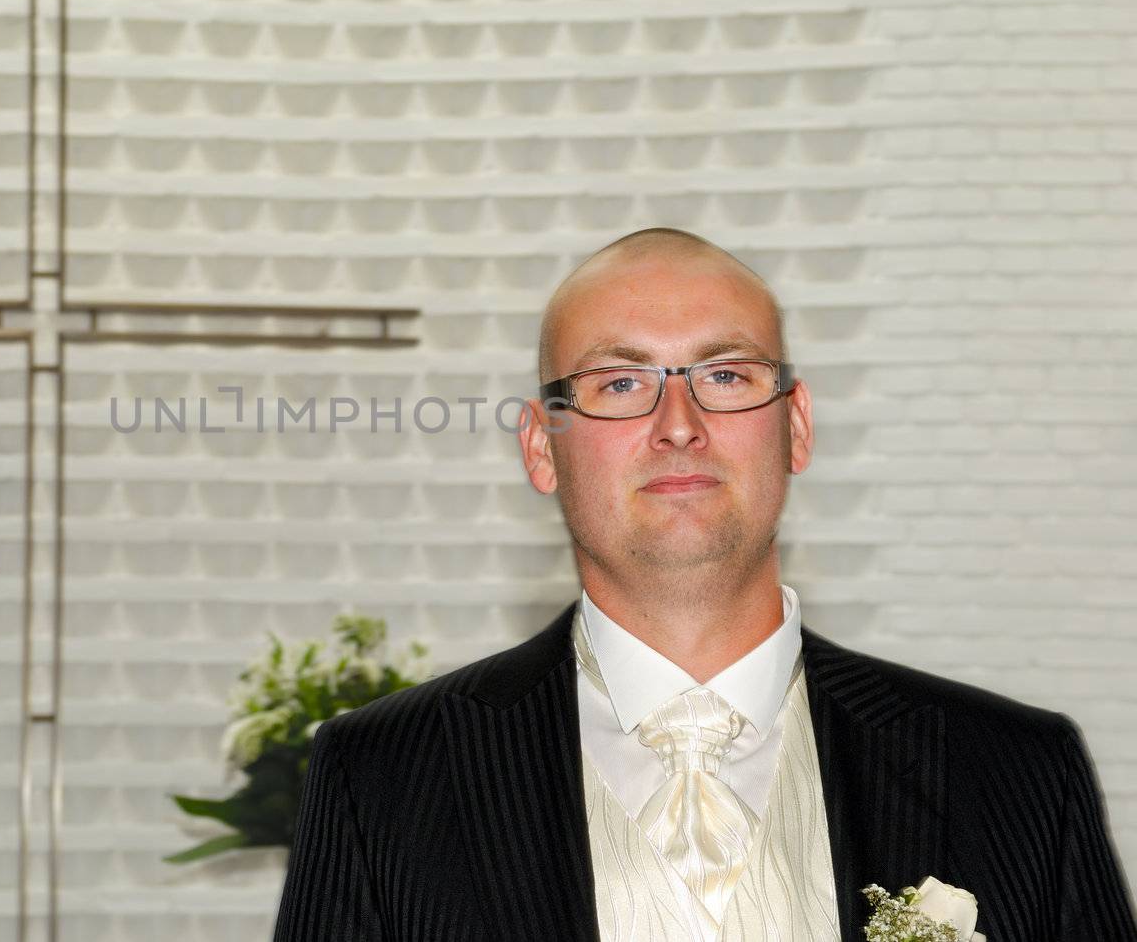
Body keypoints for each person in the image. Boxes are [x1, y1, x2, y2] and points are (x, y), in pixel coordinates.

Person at [272, 228, 1137, 941]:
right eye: (620, 383)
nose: (678, 426)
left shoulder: (1017, 773)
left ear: (794, 425)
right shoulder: (380, 778)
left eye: (726, 375)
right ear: (542, 446)